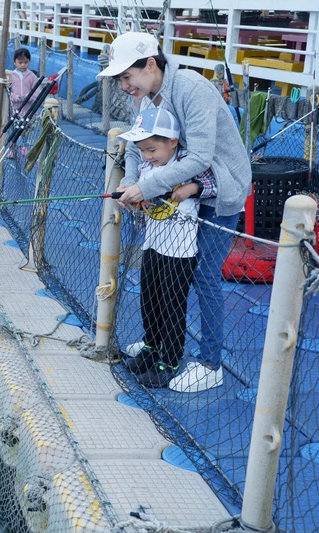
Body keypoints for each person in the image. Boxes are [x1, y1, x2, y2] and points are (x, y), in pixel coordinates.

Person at [98, 32, 252, 393]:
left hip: (218, 192)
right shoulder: (146, 98)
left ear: (151, 65)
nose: (124, 86)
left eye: (126, 77)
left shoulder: (190, 88)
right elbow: (136, 149)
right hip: (179, 194)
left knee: (203, 275)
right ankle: (159, 345)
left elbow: (199, 156)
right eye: (120, 79)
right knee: (165, 273)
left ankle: (211, 363)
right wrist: (132, 182)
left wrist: (145, 188)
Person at [117, 107, 216, 388]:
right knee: (149, 299)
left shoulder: (187, 162)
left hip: (180, 253)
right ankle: (151, 347)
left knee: (172, 305)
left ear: (173, 142)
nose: (148, 156)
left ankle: (170, 360)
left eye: (152, 149)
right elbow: (140, 187)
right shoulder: (148, 166)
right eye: (143, 151)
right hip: (153, 245)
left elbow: (213, 183)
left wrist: (191, 188)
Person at [10, 47, 38, 115]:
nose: (23, 64)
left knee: (28, 125)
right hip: (13, 110)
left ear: (29, 61)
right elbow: (7, 92)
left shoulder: (32, 76)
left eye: (26, 62)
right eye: (20, 62)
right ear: (14, 62)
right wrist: (15, 97)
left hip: (28, 110)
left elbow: (36, 92)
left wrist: (28, 96)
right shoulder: (11, 75)